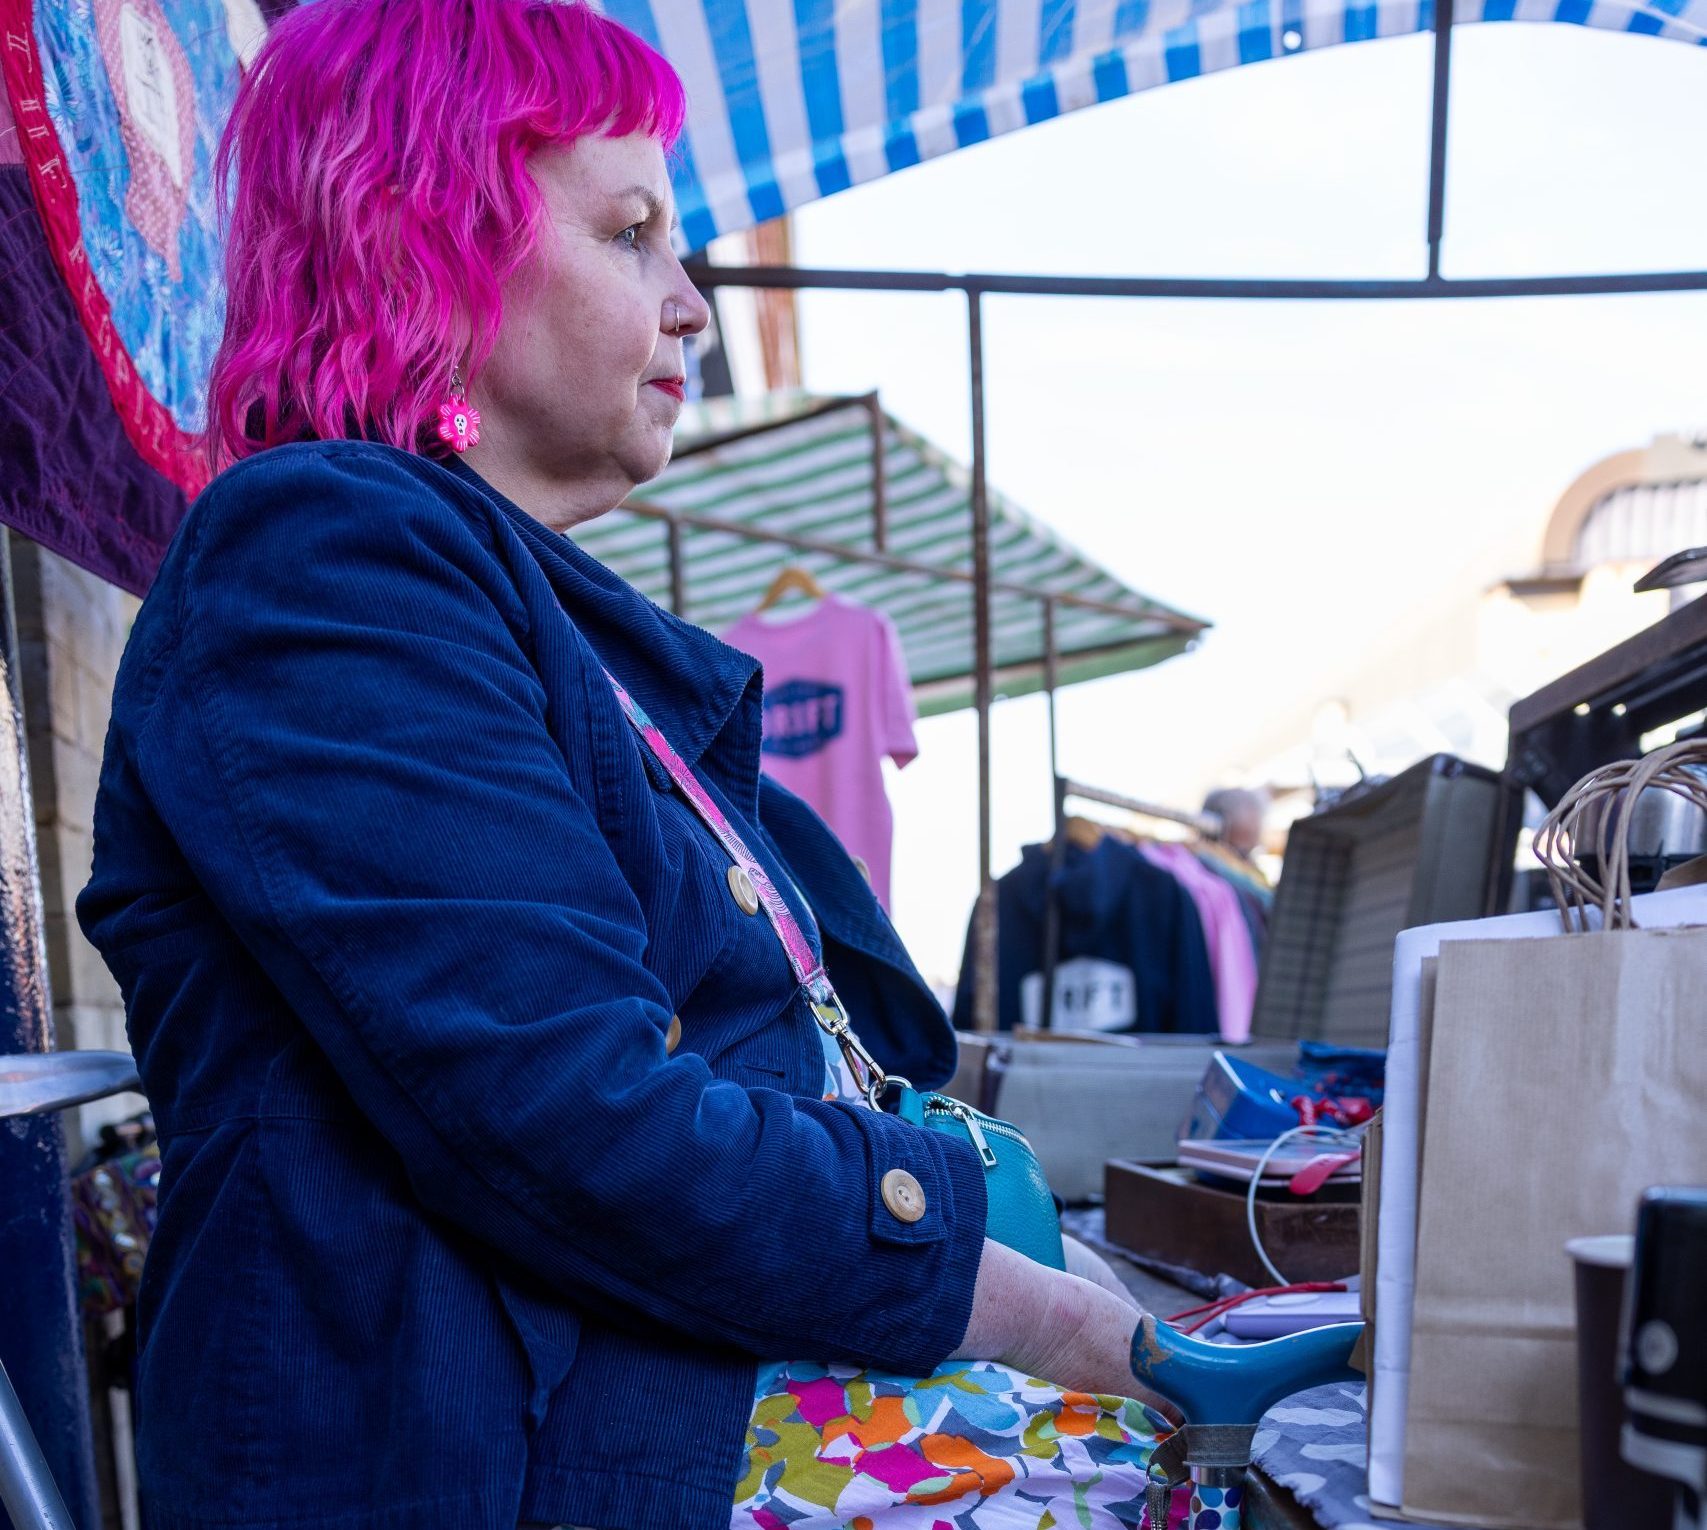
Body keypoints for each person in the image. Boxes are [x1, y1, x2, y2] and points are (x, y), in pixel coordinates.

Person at [76, 4, 1169, 1527]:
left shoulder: (498, 601)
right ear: (425, 247)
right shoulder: (325, 553)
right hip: (491, 1462)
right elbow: (572, 1108)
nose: (695, 302)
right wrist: (1028, 1305)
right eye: (633, 232)